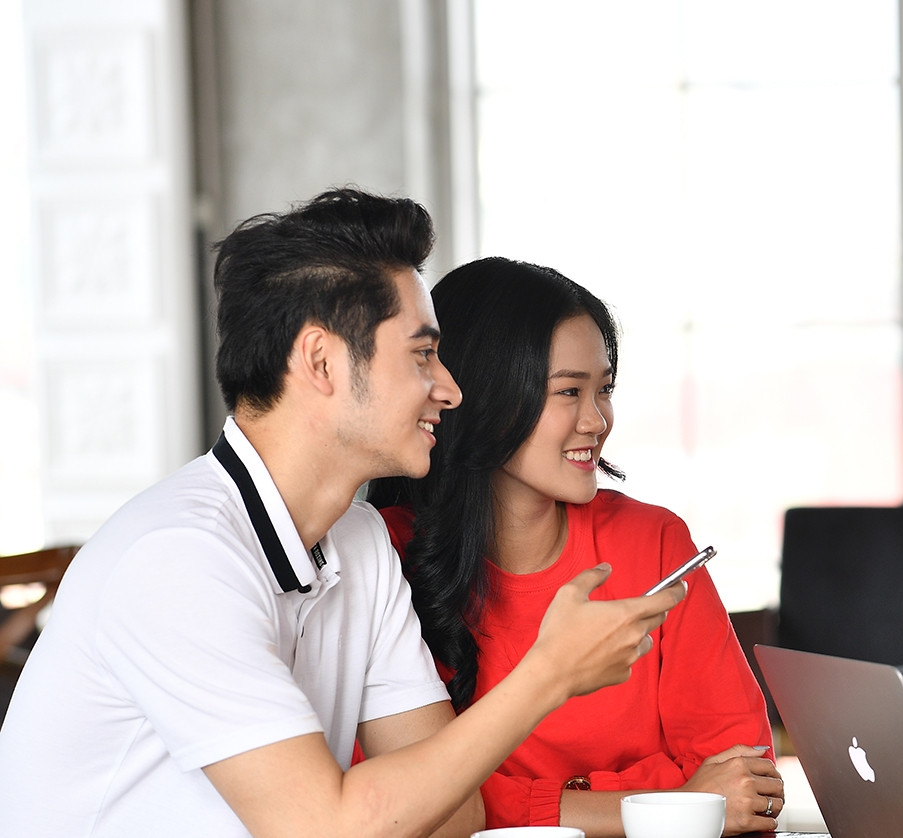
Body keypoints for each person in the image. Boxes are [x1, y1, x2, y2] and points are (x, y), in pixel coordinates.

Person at [0, 189, 683, 837]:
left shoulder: (358, 542)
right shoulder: (178, 557)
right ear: (321, 362)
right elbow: (325, 827)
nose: (449, 389)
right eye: (423, 354)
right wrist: (549, 673)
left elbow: (451, 816)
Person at [367, 256, 782, 837]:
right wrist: (667, 798)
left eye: (603, 389)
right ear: (482, 396)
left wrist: (509, 799)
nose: (597, 420)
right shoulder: (381, 556)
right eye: (569, 391)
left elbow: (745, 781)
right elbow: (390, 801)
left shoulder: (655, 542)